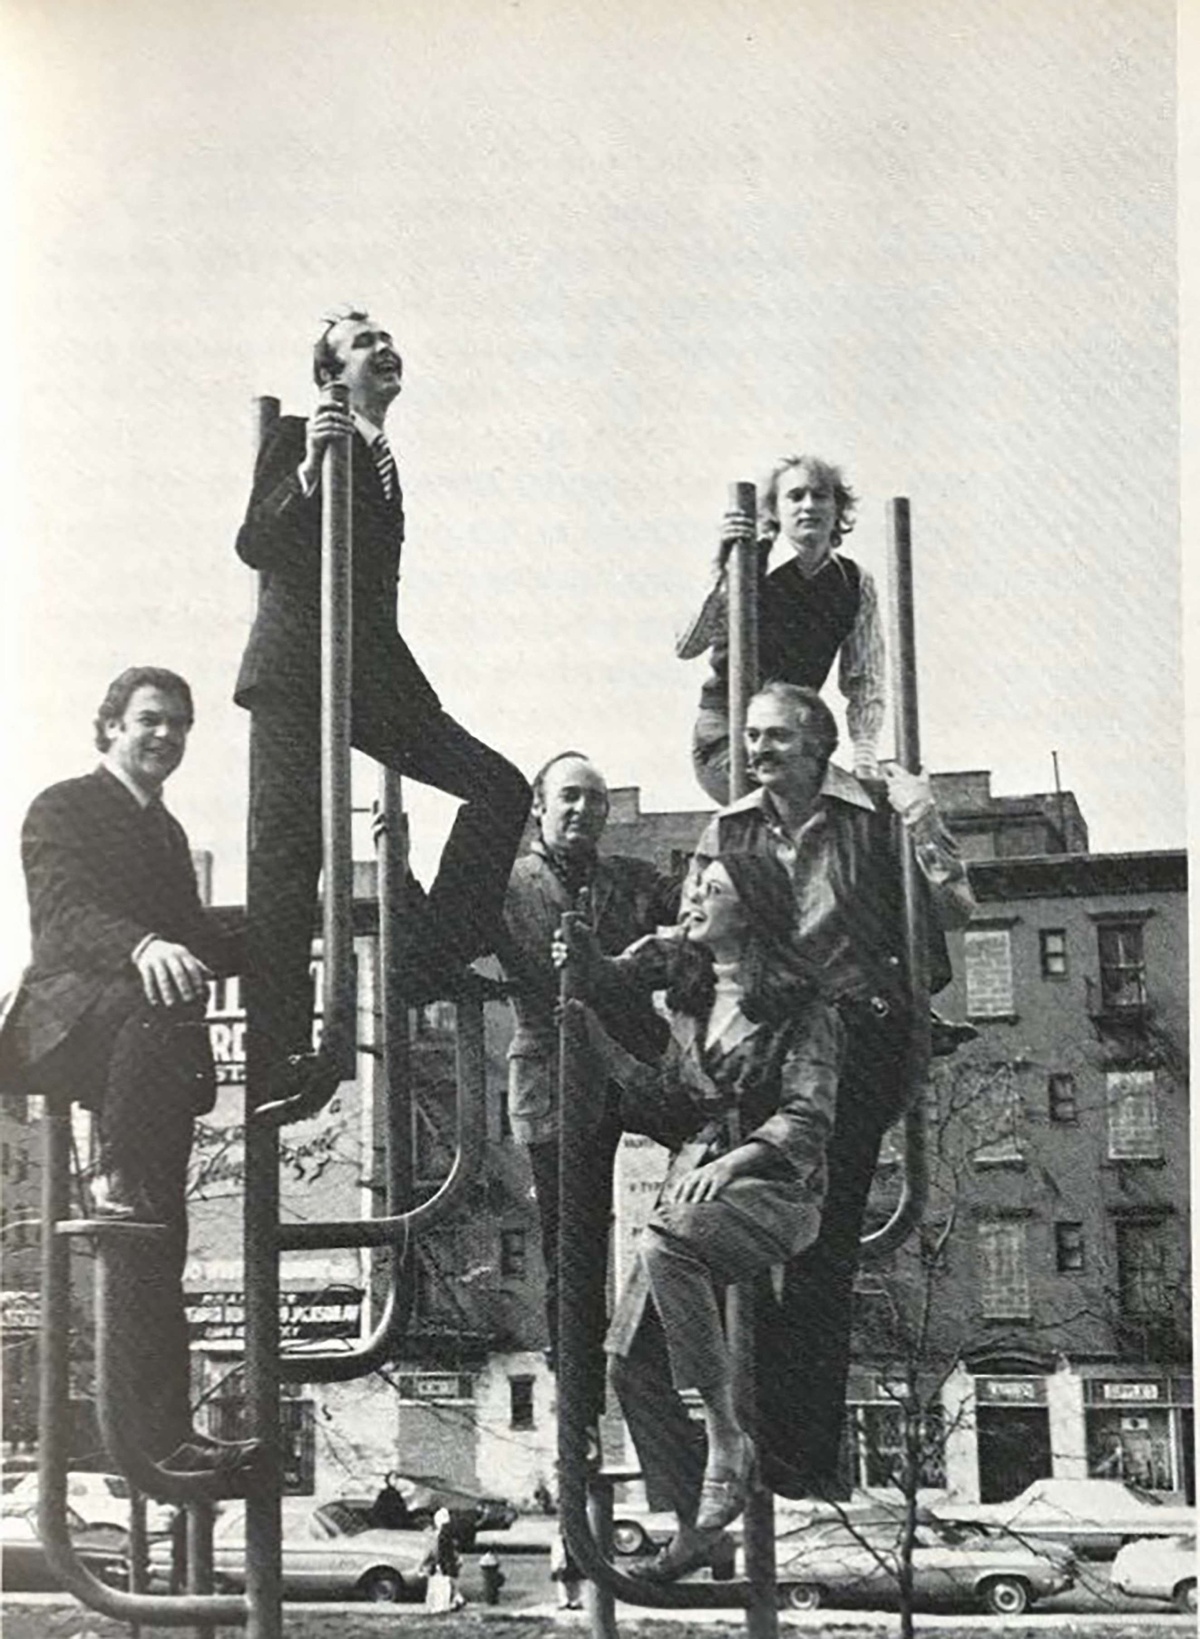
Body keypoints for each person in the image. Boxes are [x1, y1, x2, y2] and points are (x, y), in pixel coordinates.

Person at [691, 681, 976, 1498]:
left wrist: (922, 819)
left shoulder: (872, 816)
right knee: (742, 1233)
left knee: (820, 1233)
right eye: (750, 736)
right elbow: (698, 923)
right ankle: (756, 1441)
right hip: (767, 1038)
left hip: (857, 1035)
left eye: (778, 736)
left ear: (819, 744)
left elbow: (955, 907)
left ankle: (799, 1455)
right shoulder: (731, 827)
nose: (758, 749)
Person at [234, 305, 531, 1084]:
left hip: (373, 673)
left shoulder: (384, 456)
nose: (386, 348)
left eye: (389, 338)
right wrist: (307, 476)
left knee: (500, 788)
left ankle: (426, 962)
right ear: (332, 373)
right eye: (366, 342)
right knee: (292, 850)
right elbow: (254, 542)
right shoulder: (303, 431)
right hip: (300, 667)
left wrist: (413, 696)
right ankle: (276, 1048)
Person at [0, 669, 260, 1485]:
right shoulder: (61, 806)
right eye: (150, 720)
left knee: (164, 1240)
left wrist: (288, 925)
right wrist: (146, 947)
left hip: (147, 1053)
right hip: (71, 1025)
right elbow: (65, 917)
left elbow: (187, 931)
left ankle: (166, 1432)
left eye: (180, 724)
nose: (166, 737)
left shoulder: (166, 832)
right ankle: (114, 1168)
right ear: (109, 725)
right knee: (141, 1204)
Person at [556, 852, 841, 1582]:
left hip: (778, 1190)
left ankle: (725, 1436)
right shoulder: (690, 994)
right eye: (694, 888)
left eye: (712, 891)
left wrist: (731, 1161)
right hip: (694, 1198)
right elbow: (674, 1104)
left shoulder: (801, 1004)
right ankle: (695, 1527)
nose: (694, 899)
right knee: (628, 1359)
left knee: (667, 1243)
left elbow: (808, 1118)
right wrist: (596, 1039)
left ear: (753, 910)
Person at [501, 752, 679, 1448]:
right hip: (556, 1078)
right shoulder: (511, 884)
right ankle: (579, 1418)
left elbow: (695, 901)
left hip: (637, 1067)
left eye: (595, 801)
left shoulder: (629, 880)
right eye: (569, 797)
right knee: (574, 1251)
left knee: (726, 1146)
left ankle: (654, 1316)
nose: (583, 810)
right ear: (540, 806)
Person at [678, 454, 885, 801]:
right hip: (727, 732)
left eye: (820, 496)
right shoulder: (748, 562)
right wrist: (723, 571)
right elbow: (686, 646)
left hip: (794, 737)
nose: (808, 506)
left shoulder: (854, 582)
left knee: (858, 807)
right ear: (774, 510)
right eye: (795, 496)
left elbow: (865, 677)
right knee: (787, 805)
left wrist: (864, 756)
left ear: (837, 509)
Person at [423, 1506, 464, 1611]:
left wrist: (428, 1562)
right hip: (448, 1563)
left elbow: (436, 1551)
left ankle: (442, 1604)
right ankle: (456, 1599)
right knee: (450, 1582)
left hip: (443, 1564)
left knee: (439, 1585)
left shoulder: (439, 1537)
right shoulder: (449, 1535)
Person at [549, 1530, 584, 1609]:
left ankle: (574, 1600)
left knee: (574, 1577)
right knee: (563, 1577)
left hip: (572, 1547)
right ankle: (565, 1600)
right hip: (565, 1550)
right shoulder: (559, 1540)